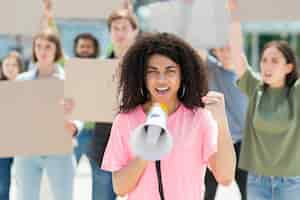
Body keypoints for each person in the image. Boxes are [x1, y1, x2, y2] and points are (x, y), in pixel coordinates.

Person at [101, 32, 236, 199]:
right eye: (153, 71)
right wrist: (145, 153)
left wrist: (221, 123)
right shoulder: (125, 120)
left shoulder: (199, 118)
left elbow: (225, 177)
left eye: (170, 71)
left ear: (182, 75)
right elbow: (120, 187)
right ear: (142, 77)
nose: (161, 80)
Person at [228, 0, 300, 199]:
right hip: (257, 182)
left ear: (289, 67)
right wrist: (234, 16)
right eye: (264, 60)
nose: (267, 66)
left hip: (291, 183)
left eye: (275, 61)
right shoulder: (255, 87)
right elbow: (236, 55)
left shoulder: (296, 92)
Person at [14, 30, 82, 200]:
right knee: (25, 196)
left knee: (63, 196)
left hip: (59, 149)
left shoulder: (69, 80)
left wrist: (73, 126)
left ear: (56, 50)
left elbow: (80, 112)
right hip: (27, 149)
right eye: (38, 46)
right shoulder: (22, 81)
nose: (42, 51)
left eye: (48, 47)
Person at [88, 8, 139, 200]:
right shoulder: (97, 69)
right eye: (115, 28)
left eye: (124, 28)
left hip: (137, 147)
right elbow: (86, 103)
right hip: (104, 146)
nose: (119, 33)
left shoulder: (145, 67)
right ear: (109, 32)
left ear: (134, 31)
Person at [201, 46, 248, 200]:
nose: (225, 54)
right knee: (208, 192)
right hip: (216, 142)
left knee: (247, 192)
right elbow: (197, 49)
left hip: (243, 143)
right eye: (220, 50)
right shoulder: (211, 70)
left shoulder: (249, 77)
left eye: (229, 49)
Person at [0, 52, 24, 200]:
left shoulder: (29, 87)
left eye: (14, 65)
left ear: (20, 68)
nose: (10, 68)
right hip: (3, 142)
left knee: (24, 182)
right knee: (2, 183)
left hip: (24, 142)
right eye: (6, 65)